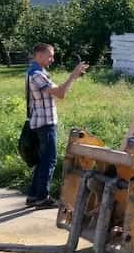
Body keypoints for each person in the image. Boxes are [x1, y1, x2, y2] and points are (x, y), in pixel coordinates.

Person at [26, 43, 89, 207]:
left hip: (41, 123)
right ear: (39, 56)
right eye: (50, 56)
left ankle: (33, 195)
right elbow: (61, 93)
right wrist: (73, 76)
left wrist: (72, 77)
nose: (52, 59)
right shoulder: (37, 75)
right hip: (45, 124)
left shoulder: (37, 73)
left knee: (42, 161)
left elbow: (57, 91)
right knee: (49, 160)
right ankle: (42, 197)